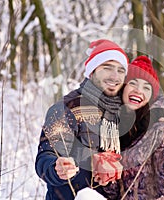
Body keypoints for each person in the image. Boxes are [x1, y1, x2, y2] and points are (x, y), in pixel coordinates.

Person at [35, 39, 130, 199]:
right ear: (92, 71)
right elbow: (45, 156)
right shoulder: (66, 108)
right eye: (107, 68)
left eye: (121, 70)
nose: (115, 76)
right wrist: (56, 167)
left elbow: (153, 118)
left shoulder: (126, 109)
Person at [102, 55, 164, 200]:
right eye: (133, 83)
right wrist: (107, 176)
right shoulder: (109, 127)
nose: (139, 90)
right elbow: (111, 192)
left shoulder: (160, 130)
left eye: (146, 87)